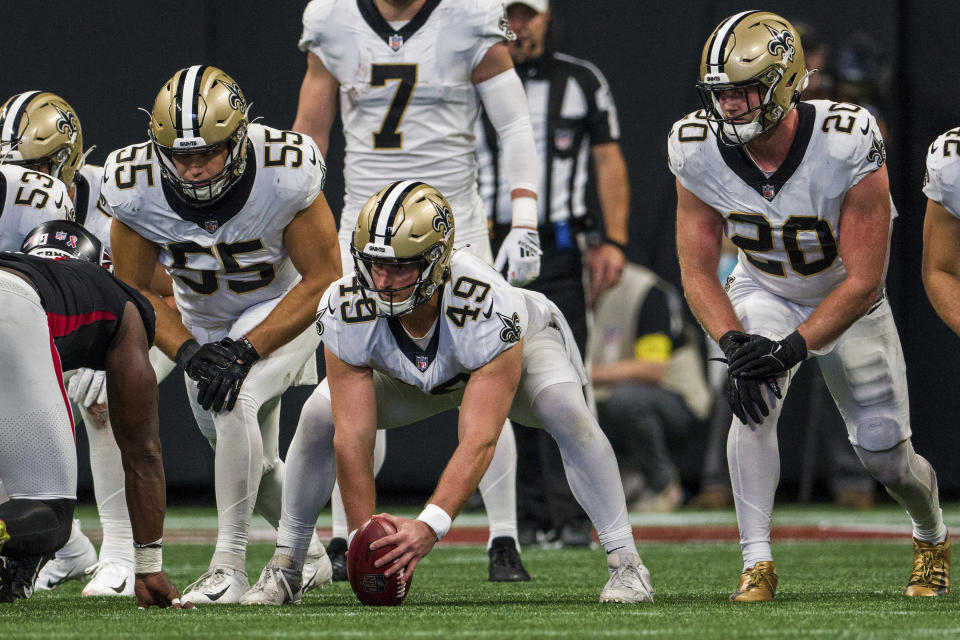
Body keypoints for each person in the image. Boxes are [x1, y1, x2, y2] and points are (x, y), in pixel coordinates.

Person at [241, 181, 652, 605]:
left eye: (401, 267)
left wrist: (428, 526)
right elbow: (353, 436)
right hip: (417, 375)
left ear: (438, 263)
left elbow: (480, 439)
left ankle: (627, 562)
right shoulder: (345, 305)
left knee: (565, 409)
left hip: (519, 354)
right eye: (374, 264)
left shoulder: (487, 303)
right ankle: (288, 566)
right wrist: (371, 546)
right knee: (317, 416)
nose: (383, 281)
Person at [670, 10, 949, 601]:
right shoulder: (694, 148)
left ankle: (930, 535)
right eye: (722, 93)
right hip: (763, 285)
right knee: (752, 402)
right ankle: (757, 561)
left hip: (846, 297)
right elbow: (697, 271)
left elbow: (865, 281)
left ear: (788, 81)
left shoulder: (847, 140)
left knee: (884, 455)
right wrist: (733, 342)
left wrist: (793, 348)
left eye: (747, 91)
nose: (733, 106)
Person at [294, 0, 540, 580]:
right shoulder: (332, 18)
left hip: (453, 235)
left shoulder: (469, 14)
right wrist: (300, 228)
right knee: (351, 386)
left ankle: (501, 536)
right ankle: (347, 537)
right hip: (366, 234)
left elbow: (514, 124)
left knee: (484, 380)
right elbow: (310, 136)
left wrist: (524, 218)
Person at [105, 65, 342, 605]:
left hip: (282, 306)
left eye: (207, 152)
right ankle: (310, 557)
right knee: (249, 460)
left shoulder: (284, 169)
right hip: (203, 322)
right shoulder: (135, 185)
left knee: (235, 402)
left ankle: (228, 567)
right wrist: (188, 351)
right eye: (180, 155)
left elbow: (324, 276)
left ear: (239, 137)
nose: (192, 168)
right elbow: (132, 290)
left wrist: (248, 347)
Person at [0, 89, 181, 597]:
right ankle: (69, 547)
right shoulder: (13, 203)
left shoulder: (115, 195)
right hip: (49, 322)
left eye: (36, 167)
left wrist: (109, 357)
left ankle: (119, 554)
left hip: (146, 321)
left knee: (102, 399)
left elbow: (172, 289)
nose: (25, 179)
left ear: (68, 159)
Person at [475, 0, 630, 546]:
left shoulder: (580, 80)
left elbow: (609, 158)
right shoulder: (473, 73)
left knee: (565, 380)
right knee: (496, 376)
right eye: (510, 16)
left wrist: (613, 239)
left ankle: (571, 517)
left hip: (560, 247)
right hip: (485, 247)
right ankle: (525, 518)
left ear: (546, 18)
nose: (519, 26)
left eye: (528, 15)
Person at [589, 262, 712, 513]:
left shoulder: (645, 290)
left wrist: (584, 374)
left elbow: (653, 369)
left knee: (627, 400)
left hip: (676, 398)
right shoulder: (570, 289)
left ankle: (662, 485)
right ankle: (623, 481)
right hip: (606, 396)